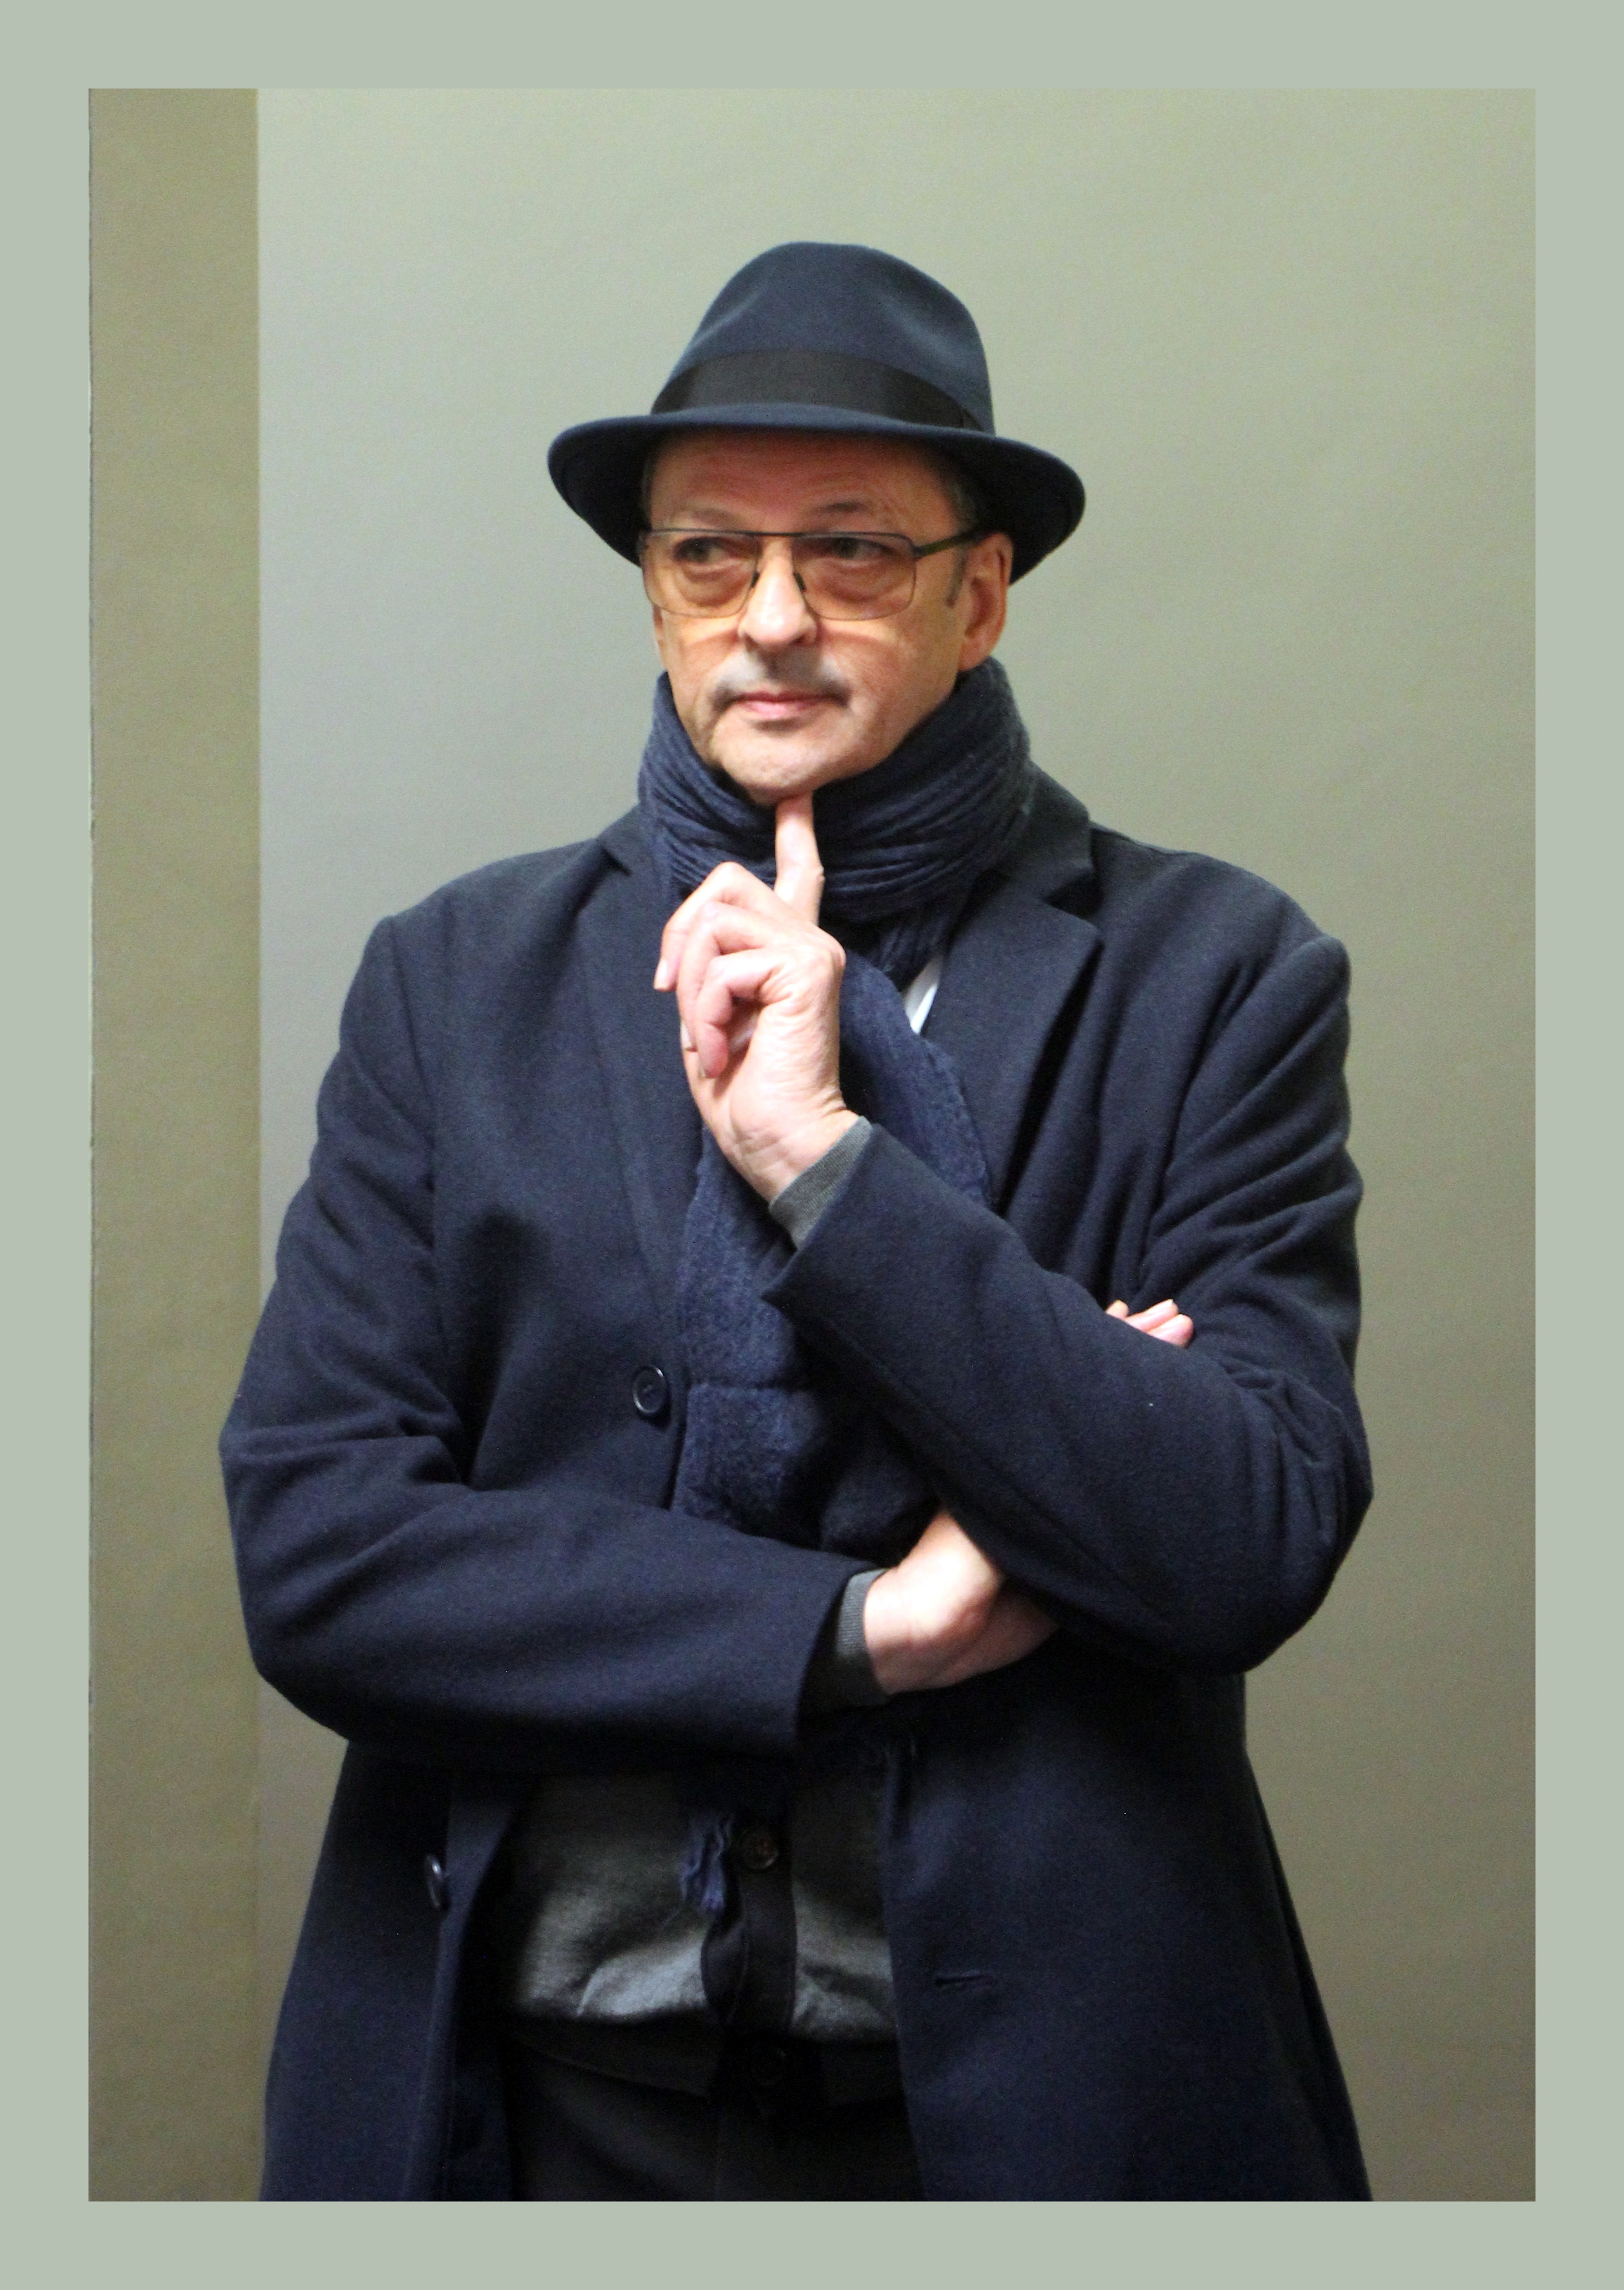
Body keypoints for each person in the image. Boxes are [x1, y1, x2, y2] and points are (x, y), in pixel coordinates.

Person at [223, 242, 1373, 2201]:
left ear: (977, 595)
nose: (770, 619)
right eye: (709, 556)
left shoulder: (1216, 976)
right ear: (653, 590)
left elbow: (1241, 1529)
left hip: (1037, 2124)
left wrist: (826, 1164)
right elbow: (321, 1553)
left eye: (850, 551)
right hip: (528, 2108)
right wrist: (863, 1632)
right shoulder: (456, 981)